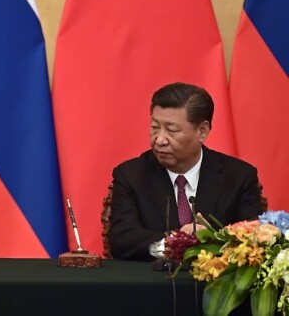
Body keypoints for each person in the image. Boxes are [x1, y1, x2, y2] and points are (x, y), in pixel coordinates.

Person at [108, 82, 262, 260]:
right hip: (154, 283)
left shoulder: (238, 176)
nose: (159, 140)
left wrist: (210, 241)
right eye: (155, 127)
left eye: (171, 130)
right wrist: (175, 242)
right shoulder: (131, 175)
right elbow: (122, 240)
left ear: (202, 131)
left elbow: (252, 240)